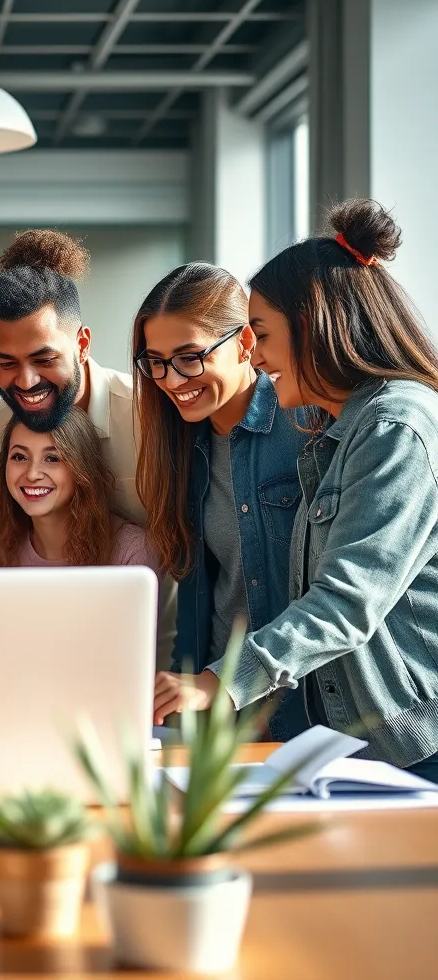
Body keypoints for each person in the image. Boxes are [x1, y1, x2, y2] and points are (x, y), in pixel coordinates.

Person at [153, 199, 438, 782]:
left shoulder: (395, 425)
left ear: (311, 327)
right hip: (351, 742)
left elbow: (347, 598)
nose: (255, 356)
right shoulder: (336, 426)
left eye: (260, 334)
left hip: (413, 743)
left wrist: (221, 682)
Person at [133, 263, 309, 740]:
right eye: (156, 361)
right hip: (226, 723)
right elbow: (202, 602)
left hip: (316, 714)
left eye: (190, 357)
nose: (171, 379)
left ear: (246, 345)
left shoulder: (309, 426)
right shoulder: (181, 449)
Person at [0, 229, 142, 525]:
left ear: (82, 345)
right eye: (7, 363)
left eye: (44, 359)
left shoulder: (146, 417)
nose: (26, 382)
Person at [0, 408, 156, 573]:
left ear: (82, 468)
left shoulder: (132, 553)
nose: (32, 474)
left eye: (52, 458)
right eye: (19, 457)